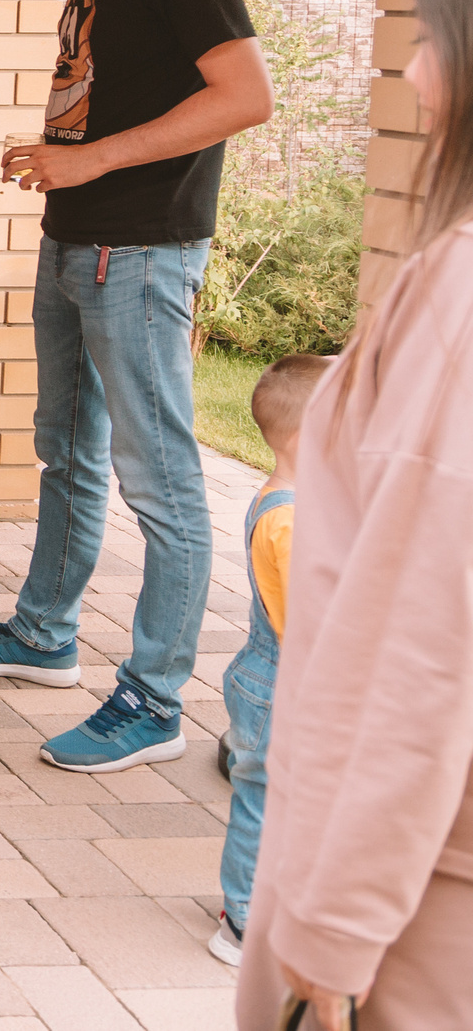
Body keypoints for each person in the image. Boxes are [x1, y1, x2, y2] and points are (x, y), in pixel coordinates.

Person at [0, 0, 271, 775]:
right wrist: (58, 157)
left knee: (158, 479)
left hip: (142, 249)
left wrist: (95, 159)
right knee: (62, 453)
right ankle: (43, 635)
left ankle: (155, 698)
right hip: (75, 236)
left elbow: (245, 95)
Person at [236, 0, 473, 1031]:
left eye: (438, 36)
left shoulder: (461, 299)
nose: (419, 74)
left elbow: (421, 646)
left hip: (422, 911)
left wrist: (330, 936)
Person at [209, 352, 326, 969]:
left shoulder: (285, 499)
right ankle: (242, 922)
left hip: (270, 678)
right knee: (261, 800)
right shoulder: (290, 520)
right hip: (281, 683)